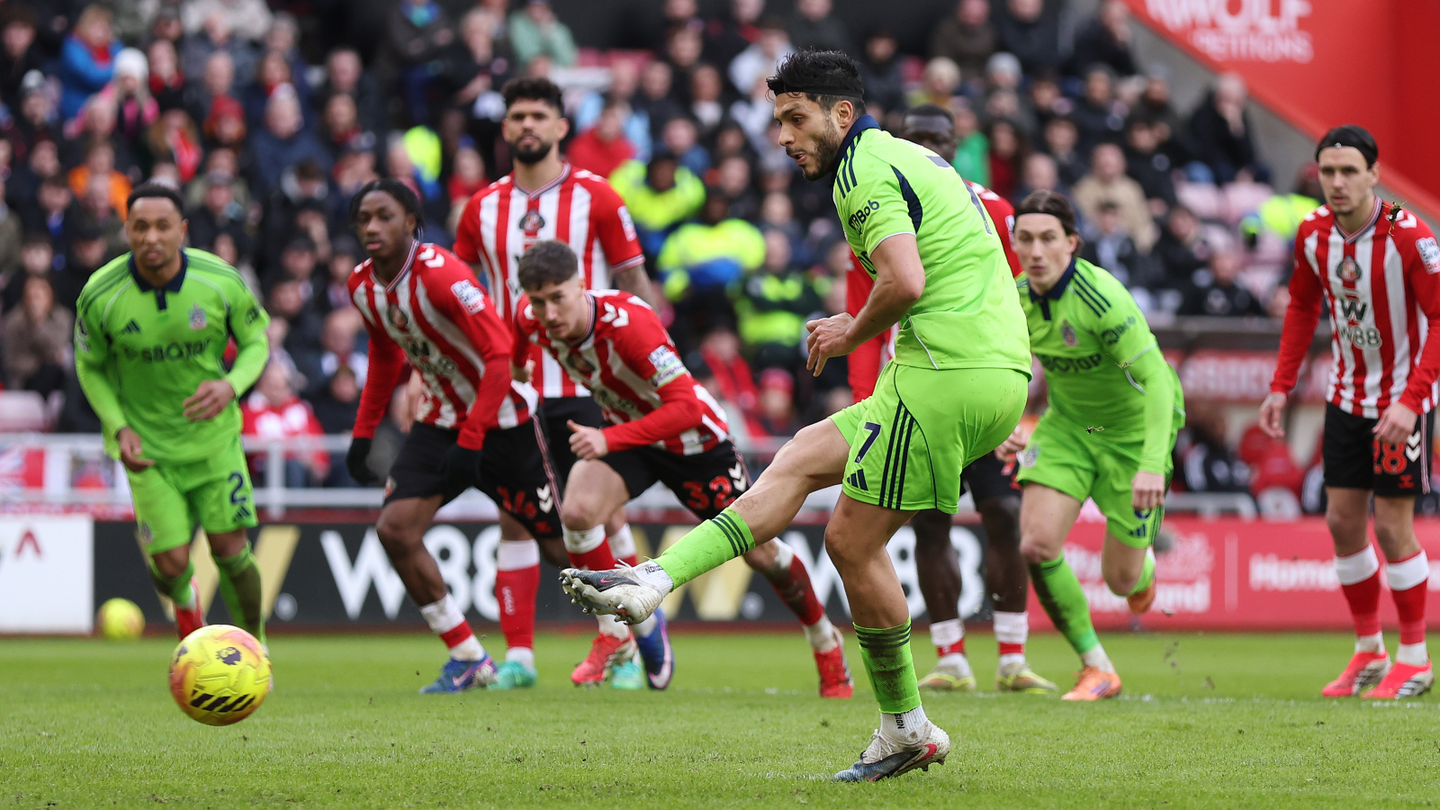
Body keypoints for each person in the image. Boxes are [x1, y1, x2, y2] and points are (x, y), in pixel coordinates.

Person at [562, 51, 1032, 781]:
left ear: (842, 114)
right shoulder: (903, 156)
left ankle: (906, 727)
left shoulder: (864, 170)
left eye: (796, 117)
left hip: (948, 371)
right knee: (799, 458)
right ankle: (652, 579)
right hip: (972, 368)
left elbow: (905, 280)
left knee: (851, 541)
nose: (782, 135)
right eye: (778, 118)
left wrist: (852, 329)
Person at [517, 240, 854, 698]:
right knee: (577, 512)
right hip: (634, 435)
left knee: (762, 555)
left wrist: (608, 438)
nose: (549, 313)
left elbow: (685, 409)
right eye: (538, 302)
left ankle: (825, 641)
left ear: (581, 285)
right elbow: (516, 343)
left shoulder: (629, 323)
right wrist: (516, 368)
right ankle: (617, 637)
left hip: (695, 444)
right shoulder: (530, 318)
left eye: (557, 298)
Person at [451, 76, 668, 690]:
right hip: (512, 385)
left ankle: (627, 636)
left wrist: (651, 364)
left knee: (600, 513)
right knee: (513, 516)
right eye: (516, 116)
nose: (526, 126)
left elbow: (634, 283)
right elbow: (465, 297)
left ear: (560, 127)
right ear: (504, 127)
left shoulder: (598, 198)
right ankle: (519, 657)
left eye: (538, 116)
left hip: (587, 381)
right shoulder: (479, 208)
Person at [858, 103, 1053, 694]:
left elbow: (1026, 300)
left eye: (937, 140)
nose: (927, 149)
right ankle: (951, 659)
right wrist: (865, 393)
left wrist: (1029, 395)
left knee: (1004, 513)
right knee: (932, 525)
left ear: (955, 142)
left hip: (984, 379)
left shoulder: (992, 208)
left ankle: (1013, 657)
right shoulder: (879, 204)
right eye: (915, 140)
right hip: (916, 389)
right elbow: (862, 302)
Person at [343, 179, 562, 694]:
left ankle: (635, 623)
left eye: (385, 216)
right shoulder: (361, 286)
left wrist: (473, 439)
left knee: (560, 549)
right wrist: (362, 432)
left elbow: (499, 355)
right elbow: (383, 357)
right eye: (363, 219)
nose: (372, 227)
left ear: (412, 223)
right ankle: (468, 656)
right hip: (439, 423)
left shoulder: (442, 275)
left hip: (502, 423)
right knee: (395, 530)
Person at [1260, 126, 1437, 699]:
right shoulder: (1312, 233)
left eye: (1348, 172)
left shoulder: (1409, 236)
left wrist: (1411, 403)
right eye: (1327, 172)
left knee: (1391, 526)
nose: (1336, 183)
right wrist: (1280, 386)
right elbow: (1303, 306)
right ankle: (1369, 651)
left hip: (1400, 404)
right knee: (1341, 523)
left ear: (1374, 174)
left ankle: (1416, 658)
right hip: (1346, 397)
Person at [1002, 190, 1184, 701]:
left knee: (1121, 581)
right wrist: (1011, 422)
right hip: (1068, 428)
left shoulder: (1102, 298)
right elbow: (1005, 367)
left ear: (1072, 243)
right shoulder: (1013, 296)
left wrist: (1152, 463)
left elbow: (1157, 381)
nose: (1036, 251)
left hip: (1131, 435)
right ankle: (1096, 666)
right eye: (1026, 239)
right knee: (1035, 544)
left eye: (1048, 239)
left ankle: (1142, 567)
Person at [73, 183, 271, 647]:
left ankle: (255, 648)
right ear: (127, 230)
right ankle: (186, 607)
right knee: (170, 565)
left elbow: (257, 342)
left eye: (163, 226)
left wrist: (231, 385)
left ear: (181, 230)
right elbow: (90, 365)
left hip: (214, 443)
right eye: (140, 227)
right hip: (148, 450)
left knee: (231, 551)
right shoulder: (100, 295)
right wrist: (118, 426)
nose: (151, 237)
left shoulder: (220, 280)